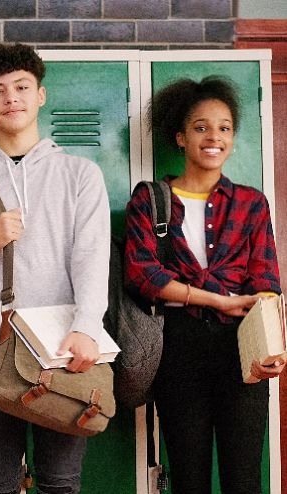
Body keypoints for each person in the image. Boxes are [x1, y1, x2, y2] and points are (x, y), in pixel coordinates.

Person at [0, 43, 110, 494]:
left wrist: (87, 327)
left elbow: (91, 258)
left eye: (22, 87)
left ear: (41, 96)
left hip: (64, 350)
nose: (11, 98)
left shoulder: (80, 174)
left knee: (61, 484)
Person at [124, 76, 282, 493]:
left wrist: (272, 347)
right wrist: (216, 298)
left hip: (241, 344)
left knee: (244, 477)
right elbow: (142, 273)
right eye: (201, 127)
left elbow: (266, 280)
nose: (215, 137)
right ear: (179, 136)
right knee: (189, 477)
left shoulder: (251, 203)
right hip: (178, 346)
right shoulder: (150, 199)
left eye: (225, 127)